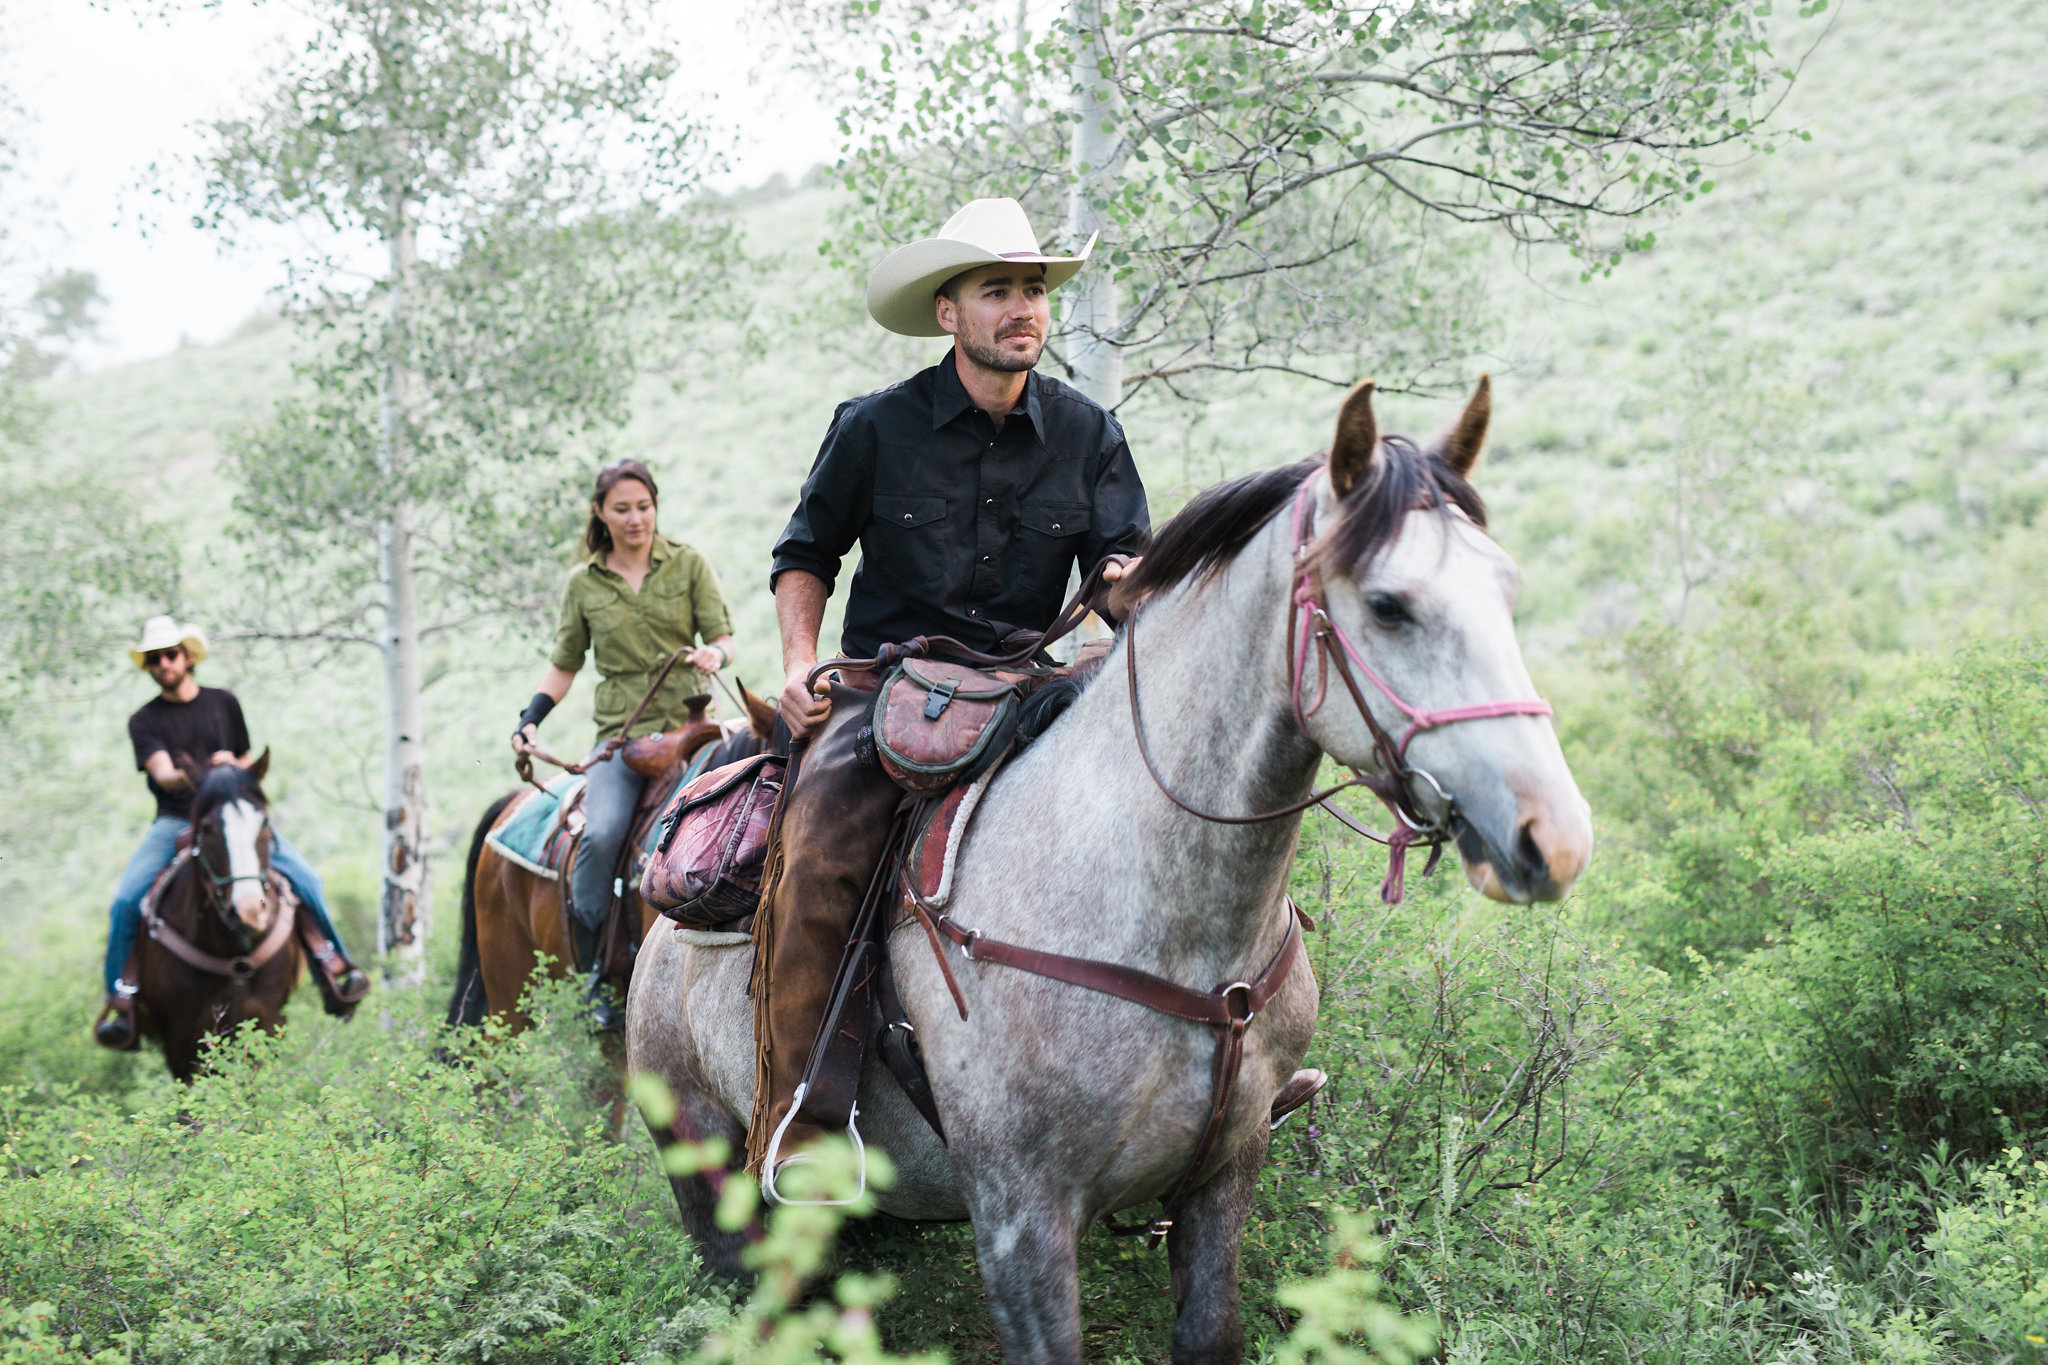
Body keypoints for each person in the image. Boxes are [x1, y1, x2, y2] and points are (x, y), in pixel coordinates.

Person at [752, 196, 1153, 1172]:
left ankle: (1184, 1094)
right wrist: (800, 662)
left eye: (1032, 291)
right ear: (948, 313)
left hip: (1030, 685)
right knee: (813, 852)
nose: (1023, 308)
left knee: (1155, 824)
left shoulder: (1088, 434)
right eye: (997, 291)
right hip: (886, 692)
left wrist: (1127, 590)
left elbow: (1120, 581)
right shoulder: (873, 428)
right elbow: (806, 553)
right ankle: (799, 1117)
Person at [512, 458, 735, 1028]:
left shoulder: (687, 564)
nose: (635, 519)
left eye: (644, 506)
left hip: (692, 730)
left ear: (655, 507)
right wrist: (531, 716)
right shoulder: (584, 583)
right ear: (600, 513)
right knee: (603, 834)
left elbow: (723, 636)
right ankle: (595, 975)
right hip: (622, 738)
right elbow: (564, 663)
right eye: (622, 509)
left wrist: (716, 653)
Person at [96, 617, 369, 1050]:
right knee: (127, 899)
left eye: (171, 655)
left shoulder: (224, 702)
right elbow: (164, 774)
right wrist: (206, 772)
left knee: (305, 879)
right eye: (155, 659)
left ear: (187, 657)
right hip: (176, 818)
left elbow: (244, 759)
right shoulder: (144, 720)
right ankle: (122, 1000)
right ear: (148, 667)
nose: (164, 663)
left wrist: (235, 766)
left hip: (236, 814)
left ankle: (333, 968)